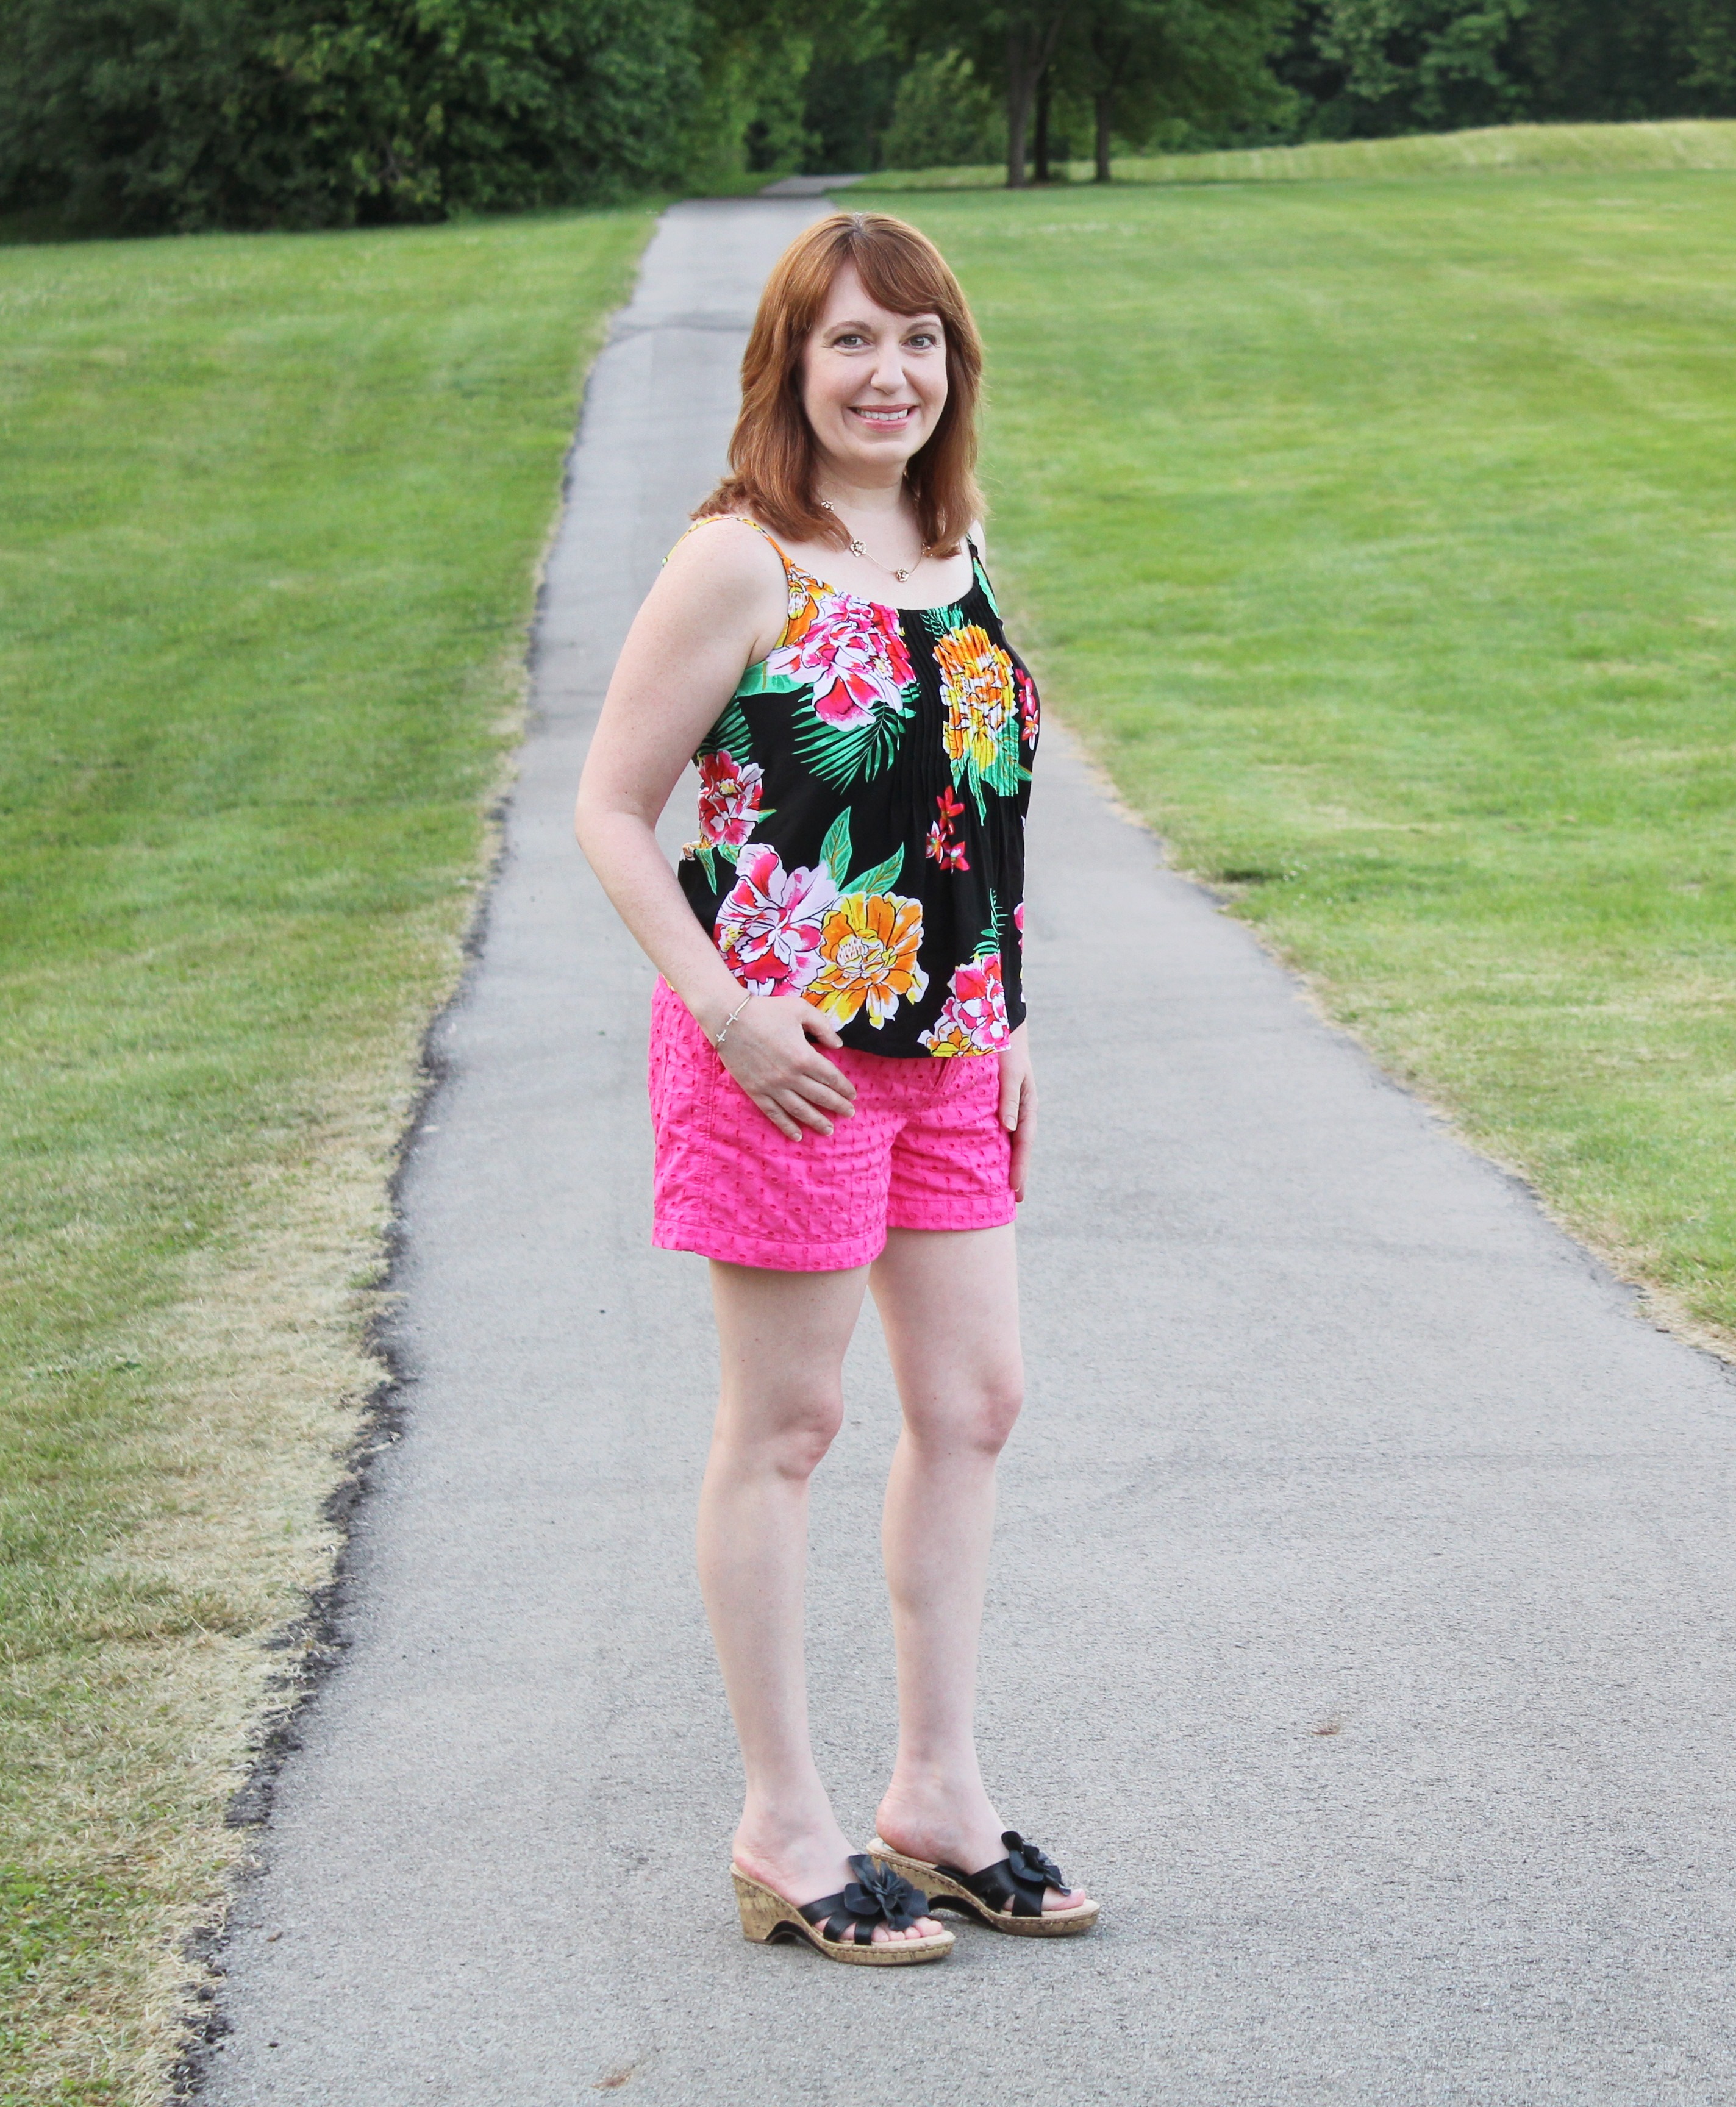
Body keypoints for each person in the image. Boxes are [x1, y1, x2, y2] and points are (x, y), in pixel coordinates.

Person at [574, 210, 1096, 1966]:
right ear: (789, 365)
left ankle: (935, 1800)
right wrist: (723, 1011)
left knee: (976, 1406)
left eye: (920, 343)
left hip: (953, 1053)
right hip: (784, 1067)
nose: (889, 374)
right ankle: (783, 1825)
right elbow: (608, 810)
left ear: (955, 370)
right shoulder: (741, 557)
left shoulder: (948, 546)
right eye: (852, 342)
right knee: (787, 1431)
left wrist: (1008, 1006)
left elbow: (980, 809)